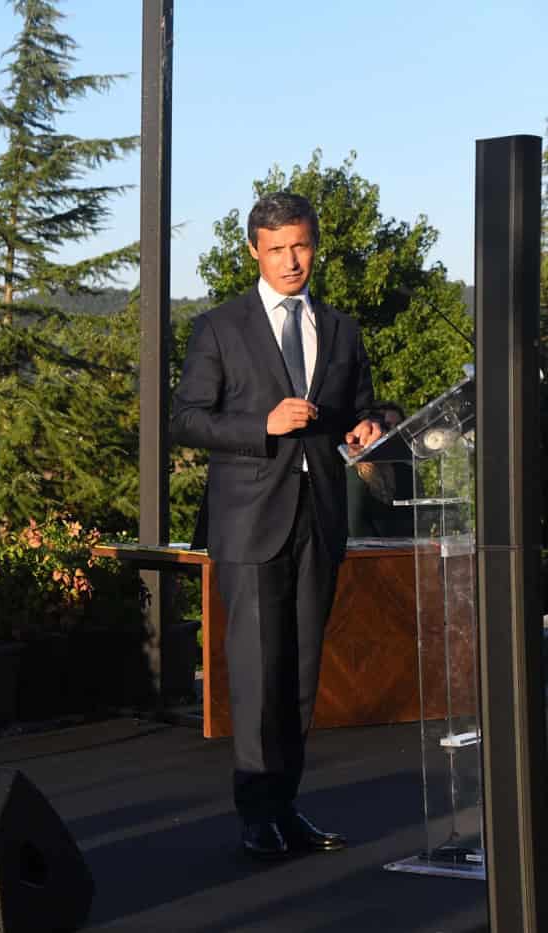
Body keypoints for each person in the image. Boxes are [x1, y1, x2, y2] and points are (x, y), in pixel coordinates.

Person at [171, 191, 383, 860]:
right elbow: (187, 419)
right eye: (278, 248)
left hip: (319, 518)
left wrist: (371, 425)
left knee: (298, 674)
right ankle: (256, 813)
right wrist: (259, 426)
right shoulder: (219, 328)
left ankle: (285, 805)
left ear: (315, 244)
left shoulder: (342, 329)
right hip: (250, 522)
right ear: (254, 252)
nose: (293, 260)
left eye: (302, 246)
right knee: (258, 675)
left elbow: (365, 408)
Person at [347, 402, 413, 539]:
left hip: (404, 552)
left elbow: (416, 520)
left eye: (399, 426)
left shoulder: (406, 472)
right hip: (365, 554)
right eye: (387, 427)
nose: (394, 432)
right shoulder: (352, 472)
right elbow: (355, 525)